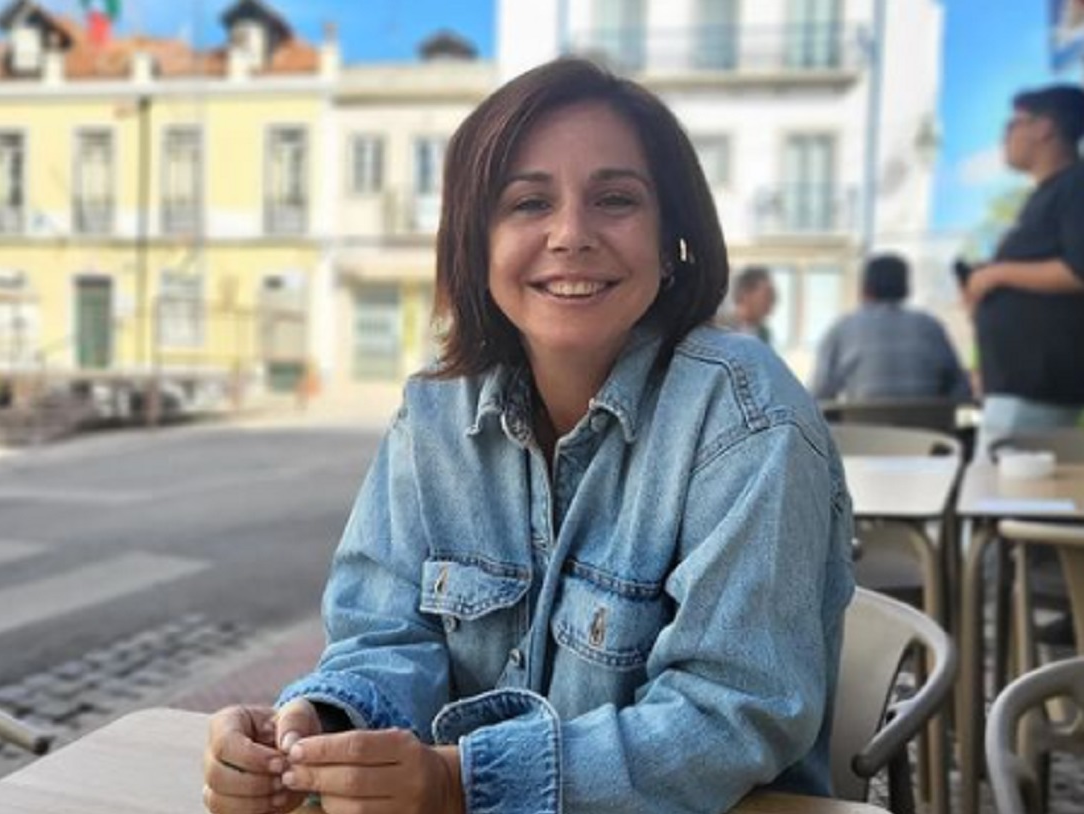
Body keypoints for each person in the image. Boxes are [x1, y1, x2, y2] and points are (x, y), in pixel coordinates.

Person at [202, 58, 854, 814]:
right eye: (528, 203)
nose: (571, 235)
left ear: (672, 236)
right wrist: (320, 731)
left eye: (615, 200)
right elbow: (383, 636)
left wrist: (462, 782)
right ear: (475, 244)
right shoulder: (432, 416)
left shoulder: (746, 416)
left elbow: (731, 712)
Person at [963, 84, 1084, 458]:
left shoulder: (1075, 185)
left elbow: (1078, 269)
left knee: (998, 487)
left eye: (1013, 124)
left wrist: (995, 275)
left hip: (1037, 386)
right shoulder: (1050, 193)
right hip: (1020, 386)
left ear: (1044, 127)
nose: (1006, 137)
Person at [810, 253, 971, 402]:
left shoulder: (842, 329)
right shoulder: (931, 327)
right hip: (928, 424)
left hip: (863, 424)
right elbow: (962, 391)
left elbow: (819, 394)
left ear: (865, 289)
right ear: (906, 289)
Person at [724, 265, 777, 344]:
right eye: (767, 296)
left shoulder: (764, 333)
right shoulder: (720, 328)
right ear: (745, 294)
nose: (772, 301)